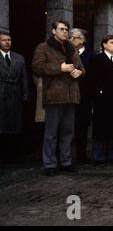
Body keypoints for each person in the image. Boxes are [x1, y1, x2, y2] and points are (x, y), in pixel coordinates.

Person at [32, 20, 84, 176]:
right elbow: (36, 67)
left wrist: (80, 72)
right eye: (61, 29)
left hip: (71, 95)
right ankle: (49, 164)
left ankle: (66, 162)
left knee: (68, 133)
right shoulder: (43, 47)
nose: (65, 32)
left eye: (67, 29)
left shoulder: (71, 48)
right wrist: (59, 68)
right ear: (53, 31)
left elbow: (81, 67)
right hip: (54, 95)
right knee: (51, 133)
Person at [88, 36, 113, 166]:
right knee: (101, 128)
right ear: (104, 45)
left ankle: (112, 154)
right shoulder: (97, 60)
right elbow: (92, 80)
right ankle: (98, 157)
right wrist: (97, 96)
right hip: (102, 101)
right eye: (112, 43)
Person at [0, 31, 29, 164]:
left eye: (9, 40)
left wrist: (25, 95)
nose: (7, 42)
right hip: (1, 92)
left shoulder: (19, 58)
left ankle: (13, 154)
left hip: (15, 94)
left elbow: (24, 78)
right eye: (4, 40)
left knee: (14, 125)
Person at [70, 28, 95, 163]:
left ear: (82, 40)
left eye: (74, 38)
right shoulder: (66, 53)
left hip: (84, 96)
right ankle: (65, 156)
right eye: (71, 37)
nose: (71, 40)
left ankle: (81, 154)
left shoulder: (91, 56)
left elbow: (94, 77)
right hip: (68, 95)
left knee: (82, 127)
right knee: (67, 127)